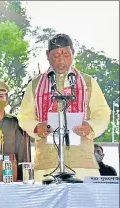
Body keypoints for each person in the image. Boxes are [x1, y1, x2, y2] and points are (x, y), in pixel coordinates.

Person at [17, 33, 111, 181]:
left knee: (83, 203)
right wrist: (36, 127)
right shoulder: (35, 85)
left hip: (82, 162)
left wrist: (90, 126)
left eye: (66, 55)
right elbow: (23, 116)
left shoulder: (88, 82)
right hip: (46, 163)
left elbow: (102, 113)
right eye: (56, 56)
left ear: (73, 53)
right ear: (47, 55)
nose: (61, 61)